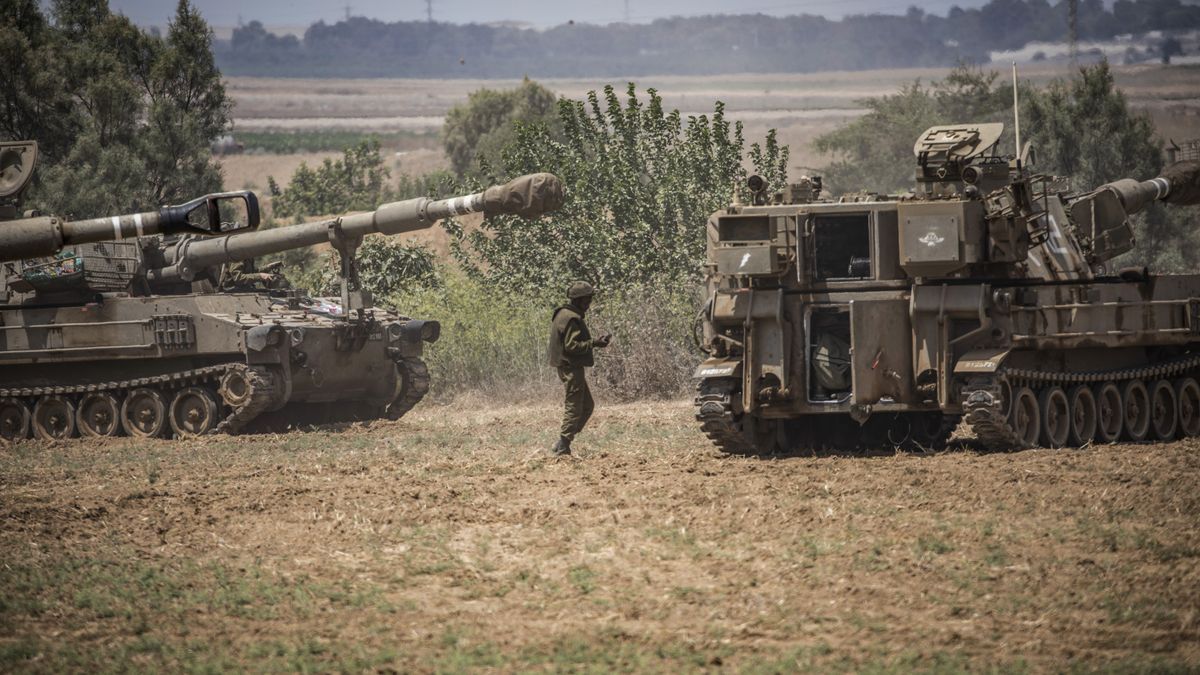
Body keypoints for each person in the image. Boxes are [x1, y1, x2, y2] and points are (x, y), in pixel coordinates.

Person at [547, 281, 611, 456]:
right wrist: (595, 343)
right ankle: (563, 445)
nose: (589, 303)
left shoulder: (563, 313)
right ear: (579, 300)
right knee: (575, 406)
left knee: (587, 406)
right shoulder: (571, 318)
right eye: (587, 299)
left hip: (569, 366)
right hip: (571, 367)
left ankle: (564, 440)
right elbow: (571, 346)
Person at [219, 259, 287, 292]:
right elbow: (238, 278)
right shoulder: (238, 256)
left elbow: (251, 273)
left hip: (244, 289)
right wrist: (260, 276)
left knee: (276, 293)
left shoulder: (248, 255)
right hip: (232, 291)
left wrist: (269, 267)